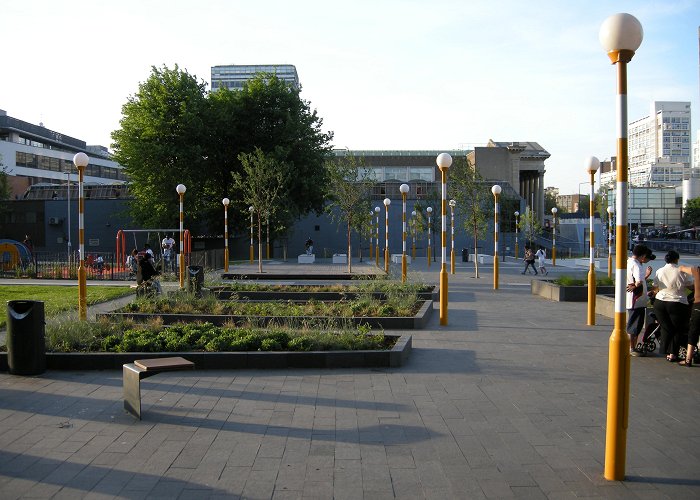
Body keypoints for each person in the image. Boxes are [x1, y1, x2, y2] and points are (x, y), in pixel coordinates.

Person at [652, 250, 693, 362]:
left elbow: (655, 287)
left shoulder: (660, 271)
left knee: (666, 327)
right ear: (676, 259)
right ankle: (672, 354)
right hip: (677, 303)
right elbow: (690, 286)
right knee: (677, 329)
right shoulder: (681, 271)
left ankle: (665, 351)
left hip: (660, 302)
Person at [626, 244, 655, 357]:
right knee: (635, 325)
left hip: (633, 299)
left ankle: (632, 346)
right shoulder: (637, 265)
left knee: (634, 323)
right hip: (636, 300)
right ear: (643, 256)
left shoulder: (629, 262)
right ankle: (632, 347)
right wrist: (637, 285)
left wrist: (646, 276)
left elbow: (638, 279)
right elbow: (639, 281)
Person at [679, 264, 700, 367]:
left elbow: (682, 268)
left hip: (698, 305)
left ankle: (688, 360)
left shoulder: (697, 271)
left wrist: (681, 267)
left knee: (693, 331)